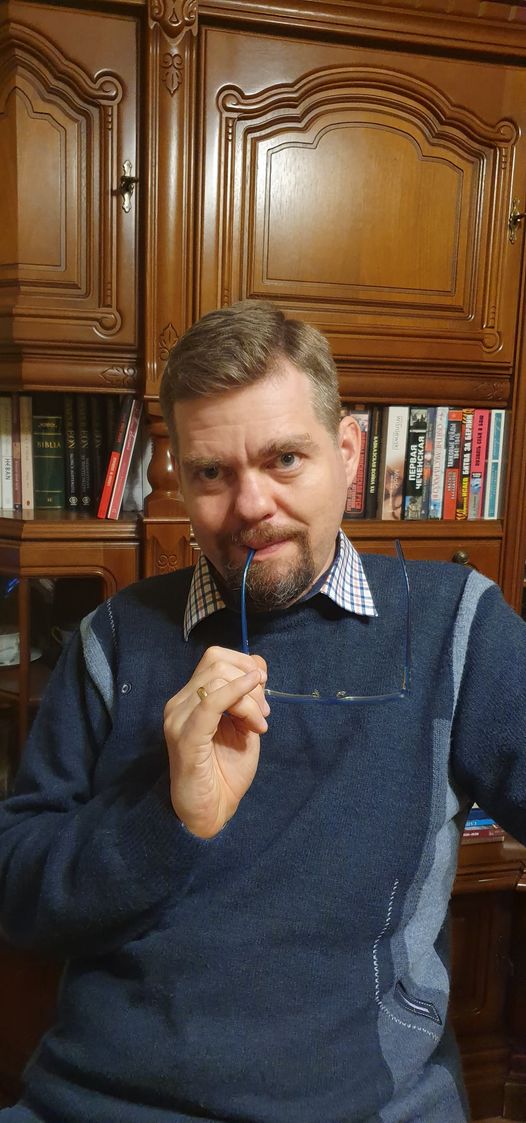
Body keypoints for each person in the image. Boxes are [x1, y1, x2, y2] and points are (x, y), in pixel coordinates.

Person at [0, 299, 525, 1123]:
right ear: (180, 479)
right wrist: (167, 819)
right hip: (95, 1100)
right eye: (212, 473)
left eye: (285, 459)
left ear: (346, 452)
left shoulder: (457, 624)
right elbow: (19, 895)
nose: (250, 506)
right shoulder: (113, 638)